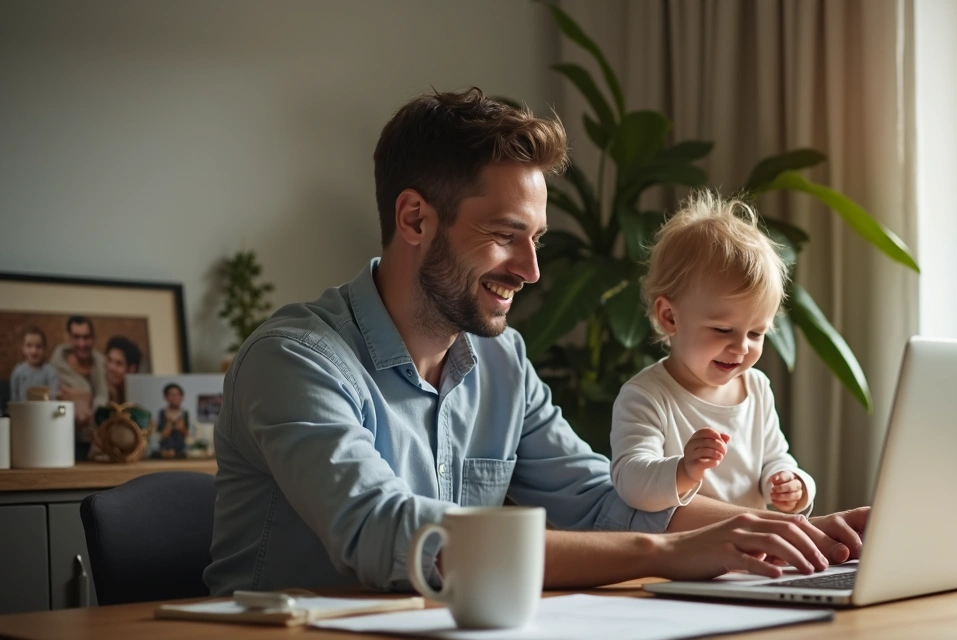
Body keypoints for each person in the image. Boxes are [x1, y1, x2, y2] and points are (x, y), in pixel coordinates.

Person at [204, 88, 868, 597]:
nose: (531, 270)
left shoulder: (502, 364)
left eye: (536, 239)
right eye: (503, 234)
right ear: (414, 218)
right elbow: (396, 537)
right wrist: (666, 555)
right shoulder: (294, 359)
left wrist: (799, 537)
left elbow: (605, 504)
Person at [609, 191, 815, 515]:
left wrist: (791, 482)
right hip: (683, 558)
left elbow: (776, 457)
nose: (742, 347)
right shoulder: (646, 396)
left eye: (756, 333)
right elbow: (630, 482)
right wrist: (684, 471)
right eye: (723, 330)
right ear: (670, 317)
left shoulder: (756, 388)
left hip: (752, 556)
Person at [50, 316, 109, 457]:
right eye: (76, 337)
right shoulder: (56, 365)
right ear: (69, 338)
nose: (81, 343)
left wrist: (90, 406)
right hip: (64, 439)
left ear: (93, 338)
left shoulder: (101, 363)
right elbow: (55, 399)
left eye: (86, 337)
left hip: (98, 441)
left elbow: (103, 395)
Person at [9, 327, 59, 408]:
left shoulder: (50, 372)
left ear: (44, 348)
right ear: (23, 348)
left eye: (38, 346)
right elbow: (14, 400)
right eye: (29, 346)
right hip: (22, 414)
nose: (34, 351)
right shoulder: (18, 372)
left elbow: (53, 398)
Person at [103, 335, 143, 404]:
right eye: (109, 360)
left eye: (119, 363)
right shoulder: (100, 392)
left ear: (132, 369)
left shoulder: (139, 399)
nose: (111, 367)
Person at [155, 383, 190, 458]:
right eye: (171, 395)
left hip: (180, 449)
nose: (174, 398)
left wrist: (181, 428)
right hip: (165, 448)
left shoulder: (185, 413)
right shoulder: (162, 413)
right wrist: (169, 423)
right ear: (166, 397)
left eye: (177, 395)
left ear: (182, 397)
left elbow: (187, 434)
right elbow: (162, 435)